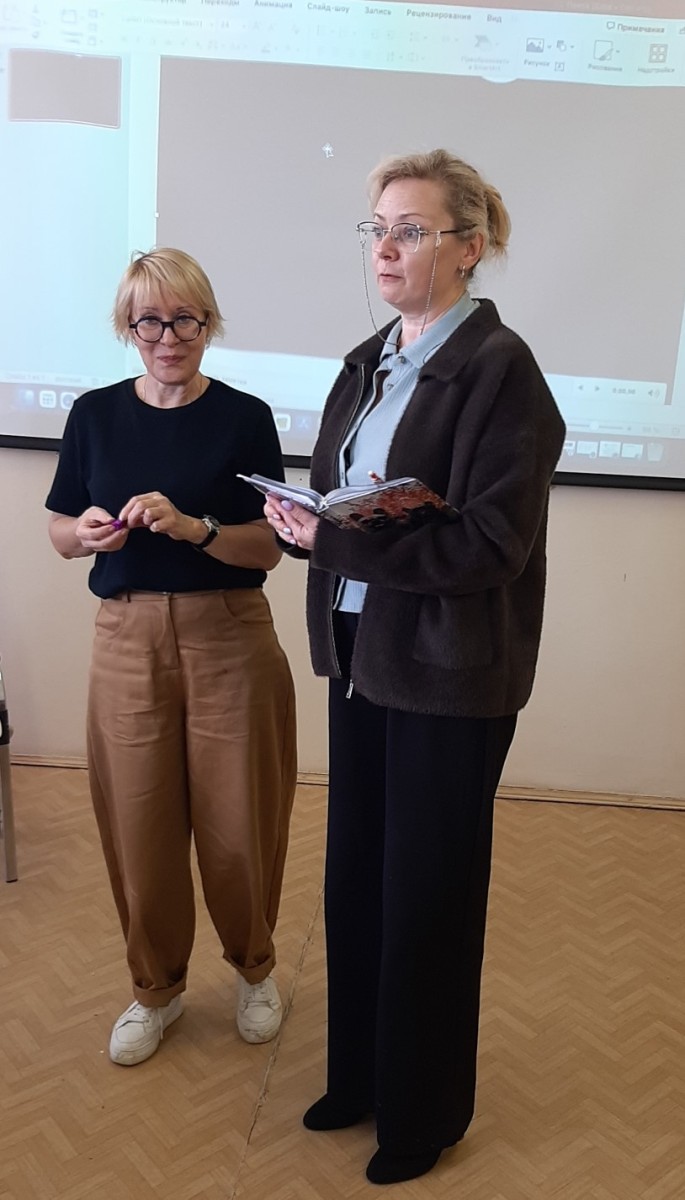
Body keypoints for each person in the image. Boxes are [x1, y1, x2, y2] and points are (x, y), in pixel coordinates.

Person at [264, 150, 566, 1185]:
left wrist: (339, 544)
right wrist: (305, 525)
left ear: (469, 248)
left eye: (410, 230)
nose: (385, 249)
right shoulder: (368, 360)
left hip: (447, 673)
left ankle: (422, 1113)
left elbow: (491, 547)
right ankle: (359, 1075)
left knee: (428, 895)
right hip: (362, 656)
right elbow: (345, 501)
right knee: (358, 878)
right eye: (377, 229)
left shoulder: (502, 372)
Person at [46, 248, 297, 1066]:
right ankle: (156, 989)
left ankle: (254, 971)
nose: (168, 336)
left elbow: (269, 548)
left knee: (239, 825)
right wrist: (83, 534)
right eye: (149, 320)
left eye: (185, 318)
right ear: (128, 326)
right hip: (126, 639)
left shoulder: (245, 416)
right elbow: (59, 530)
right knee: (139, 824)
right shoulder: (93, 415)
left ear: (208, 323)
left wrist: (197, 528)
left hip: (229, 635)